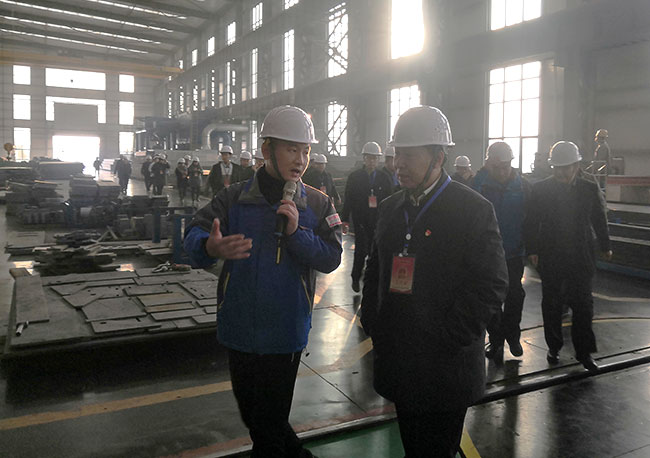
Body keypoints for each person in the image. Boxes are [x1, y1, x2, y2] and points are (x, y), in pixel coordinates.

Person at [184, 105, 342, 458]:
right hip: (239, 327)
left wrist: (297, 233)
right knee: (255, 416)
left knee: (268, 426)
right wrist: (208, 246)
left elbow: (332, 256)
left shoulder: (317, 203)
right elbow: (194, 233)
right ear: (267, 149)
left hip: (285, 331)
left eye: (306, 151)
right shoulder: (233, 198)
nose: (300, 159)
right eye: (291, 149)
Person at [361, 106, 508, 457]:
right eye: (397, 154)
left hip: (445, 367)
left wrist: (449, 337)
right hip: (399, 362)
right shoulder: (391, 208)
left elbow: (492, 282)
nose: (399, 164)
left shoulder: (472, 209)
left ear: (438, 158)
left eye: (410, 156)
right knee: (413, 446)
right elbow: (376, 267)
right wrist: (373, 319)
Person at [524, 141, 612, 372]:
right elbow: (531, 220)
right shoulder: (541, 190)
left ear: (576, 166)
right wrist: (532, 249)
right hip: (551, 255)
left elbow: (598, 218)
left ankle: (584, 353)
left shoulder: (588, 189)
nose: (561, 172)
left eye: (565, 168)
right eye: (557, 168)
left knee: (583, 305)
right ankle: (554, 346)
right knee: (552, 304)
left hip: (581, 256)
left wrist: (605, 245)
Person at [472, 141, 531, 362]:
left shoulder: (523, 187)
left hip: (514, 253)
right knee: (490, 299)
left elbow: (532, 220)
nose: (502, 172)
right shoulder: (479, 185)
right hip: (487, 254)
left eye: (505, 167)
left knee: (515, 295)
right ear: (489, 165)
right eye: (497, 167)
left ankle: (513, 336)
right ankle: (496, 340)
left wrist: (531, 248)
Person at [341, 141, 393, 292]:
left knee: (375, 251)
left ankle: (371, 279)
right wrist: (345, 219)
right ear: (364, 158)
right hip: (360, 220)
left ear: (378, 160)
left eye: (375, 158)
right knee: (361, 249)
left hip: (378, 220)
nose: (372, 161)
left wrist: (389, 221)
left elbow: (390, 200)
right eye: (369, 158)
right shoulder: (355, 177)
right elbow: (348, 199)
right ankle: (355, 277)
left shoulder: (384, 178)